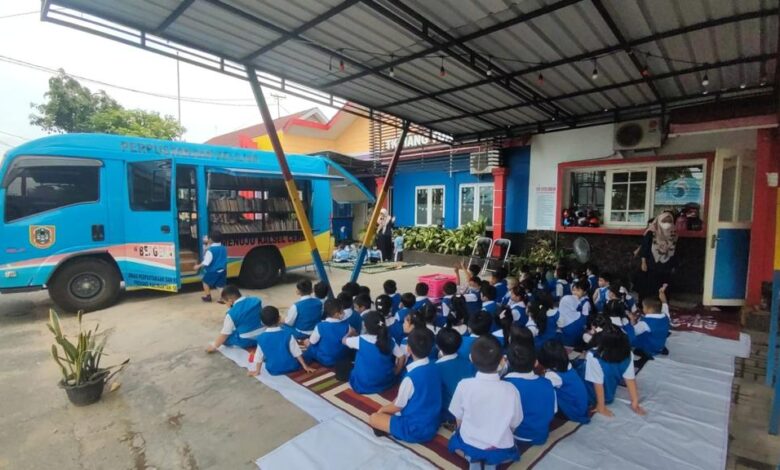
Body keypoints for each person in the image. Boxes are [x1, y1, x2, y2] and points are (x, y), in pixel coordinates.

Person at [448, 336, 522, 468]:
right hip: (498, 445)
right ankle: (489, 462)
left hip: (469, 441)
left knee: (456, 440)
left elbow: (458, 418)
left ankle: (473, 459)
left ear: (471, 358)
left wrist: (461, 432)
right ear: (502, 361)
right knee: (501, 452)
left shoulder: (464, 385)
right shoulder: (511, 390)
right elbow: (514, 424)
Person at [368, 328, 442, 443]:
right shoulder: (436, 366)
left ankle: (394, 429)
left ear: (408, 349)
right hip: (433, 422)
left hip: (415, 429)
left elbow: (398, 406)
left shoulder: (410, 377)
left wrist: (381, 410)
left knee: (374, 418)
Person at [584, 323, 646, 417]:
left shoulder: (594, 356)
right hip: (609, 395)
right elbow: (630, 379)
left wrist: (601, 406)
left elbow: (598, 384)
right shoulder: (628, 354)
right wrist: (635, 402)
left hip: (591, 394)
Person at [504, 343, 556, 446]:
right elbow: (553, 410)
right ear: (536, 362)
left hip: (518, 434)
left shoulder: (506, 385)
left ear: (508, 362)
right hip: (541, 434)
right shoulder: (547, 382)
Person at [343, 311, 406, 394]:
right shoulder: (390, 340)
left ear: (365, 326)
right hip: (385, 381)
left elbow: (343, 341)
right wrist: (397, 371)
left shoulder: (360, 340)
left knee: (345, 367)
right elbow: (402, 356)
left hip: (364, 383)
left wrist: (350, 333)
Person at [249, 306, 315, 376]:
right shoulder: (288, 334)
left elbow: (259, 357)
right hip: (292, 367)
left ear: (262, 323)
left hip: (273, 369)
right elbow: (296, 352)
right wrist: (305, 366)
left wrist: (257, 371)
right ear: (279, 318)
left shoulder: (261, 338)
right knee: (308, 354)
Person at [538, 340, 590, 424]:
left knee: (542, 396)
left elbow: (540, 387)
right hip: (581, 406)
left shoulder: (553, 376)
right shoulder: (567, 365)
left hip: (573, 411)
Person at [435, 327, 476, 425]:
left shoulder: (435, 368)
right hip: (468, 411)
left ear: (437, 346)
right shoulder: (469, 364)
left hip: (448, 414)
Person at [636, 211, 678, 304]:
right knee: (649, 284)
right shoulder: (651, 233)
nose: (667, 223)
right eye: (664, 221)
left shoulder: (674, 234)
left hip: (667, 264)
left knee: (664, 285)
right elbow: (645, 247)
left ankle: (663, 304)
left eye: (669, 221)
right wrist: (643, 262)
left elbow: (676, 251)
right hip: (651, 262)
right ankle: (646, 304)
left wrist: (674, 265)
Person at [205, 285, 263, 352]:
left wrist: (214, 346)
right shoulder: (257, 300)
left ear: (230, 301)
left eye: (225, 302)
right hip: (262, 336)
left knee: (226, 339)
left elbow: (224, 334)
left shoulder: (231, 313)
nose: (226, 305)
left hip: (247, 340)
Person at [303, 298, 352, 367]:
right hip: (342, 358)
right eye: (342, 311)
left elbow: (312, 342)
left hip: (326, 360)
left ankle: (304, 362)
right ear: (337, 314)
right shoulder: (347, 325)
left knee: (309, 344)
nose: (344, 313)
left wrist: (308, 343)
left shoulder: (320, 326)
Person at [629, 285, 671, 357]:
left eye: (643, 307)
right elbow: (664, 303)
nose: (643, 309)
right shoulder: (666, 316)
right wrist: (661, 293)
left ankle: (644, 351)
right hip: (660, 345)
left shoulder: (645, 323)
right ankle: (659, 349)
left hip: (649, 348)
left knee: (627, 337)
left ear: (649, 309)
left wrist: (632, 319)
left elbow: (633, 332)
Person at [194, 231, 227, 302]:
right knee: (219, 286)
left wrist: (198, 266)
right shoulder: (223, 248)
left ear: (210, 240)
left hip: (213, 271)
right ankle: (223, 298)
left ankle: (208, 296)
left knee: (205, 282)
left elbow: (206, 262)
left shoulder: (210, 250)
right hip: (223, 270)